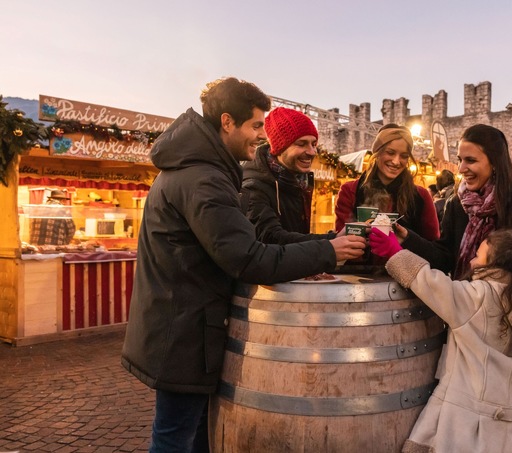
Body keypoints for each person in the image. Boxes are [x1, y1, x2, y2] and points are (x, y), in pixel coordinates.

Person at [121, 77, 366, 453]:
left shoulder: (200, 170)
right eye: (255, 126)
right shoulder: (203, 179)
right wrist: (329, 251)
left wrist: (322, 248)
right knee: (174, 436)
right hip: (183, 332)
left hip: (184, 326)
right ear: (226, 122)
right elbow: (250, 257)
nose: (260, 136)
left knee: (193, 431)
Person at [389, 124, 512, 451]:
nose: (462, 168)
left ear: (494, 161)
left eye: (471, 160)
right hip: (468, 312)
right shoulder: (457, 203)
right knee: (467, 397)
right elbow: (446, 256)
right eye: (460, 160)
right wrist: (408, 238)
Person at [370, 228, 512, 453]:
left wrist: (395, 252)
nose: (471, 260)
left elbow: (433, 285)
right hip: (506, 421)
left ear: (496, 265)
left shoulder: (481, 297)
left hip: (468, 424)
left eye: (478, 256)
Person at [241, 107, 337, 244]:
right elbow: (271, 238)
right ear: (279, 147)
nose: (312, 152)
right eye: (301, 144)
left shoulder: (298, 182)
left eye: (314, 144)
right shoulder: (255, 187)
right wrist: (332, 241)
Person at [335, 124, 439, 241]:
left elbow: (433, 246)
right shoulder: (350, 190)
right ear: (377, 153)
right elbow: (340, 242)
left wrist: (407, 240)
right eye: (390, 153)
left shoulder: (420, 195)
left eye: (404, 156)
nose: (396, 161)